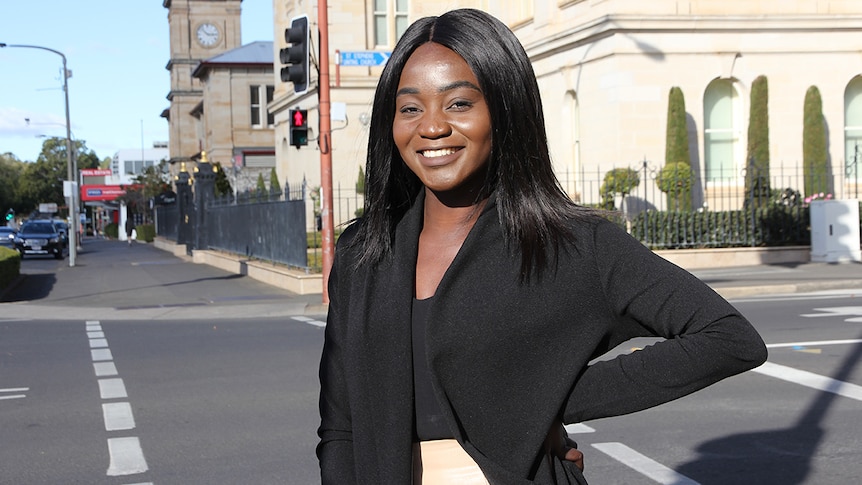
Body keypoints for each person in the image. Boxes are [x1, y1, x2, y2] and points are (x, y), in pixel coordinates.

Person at [316, 8, 767, 484]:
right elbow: (340, 427)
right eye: (410, 108)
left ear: (505, 109)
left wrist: (544, 403)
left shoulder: (570, 245)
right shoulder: (363, 253)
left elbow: (728, 338)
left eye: (459, 104)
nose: (431, 127)